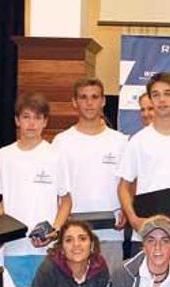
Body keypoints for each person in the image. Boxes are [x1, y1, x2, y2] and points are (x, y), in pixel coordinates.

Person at [0, 93, 72, 287]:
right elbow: (3, 203)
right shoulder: (5, 155)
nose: (31, 123)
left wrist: (54, 230)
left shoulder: (55, 154)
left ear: (45, 122)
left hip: (46, 247)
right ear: (17, 120)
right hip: (15, 246)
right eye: (25, 117)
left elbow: (65, 201)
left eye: (37, 118)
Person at [118, 72, 170, 264]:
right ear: (150, 99)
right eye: (156, 95)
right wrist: (133, 220)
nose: (162, 99)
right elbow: (124, 186)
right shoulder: (138, 141)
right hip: (147, 234)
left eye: (167, 93)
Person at [53, 77, 128, 272]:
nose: (89, 103)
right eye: (83, 97)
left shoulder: (120, 141)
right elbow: (55, 190)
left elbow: (128, 183)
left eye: (94, 97)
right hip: (73, 235)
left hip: (111, 232)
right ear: (74, 102)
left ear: (103, 101)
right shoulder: (61, 142)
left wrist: (126, 211)